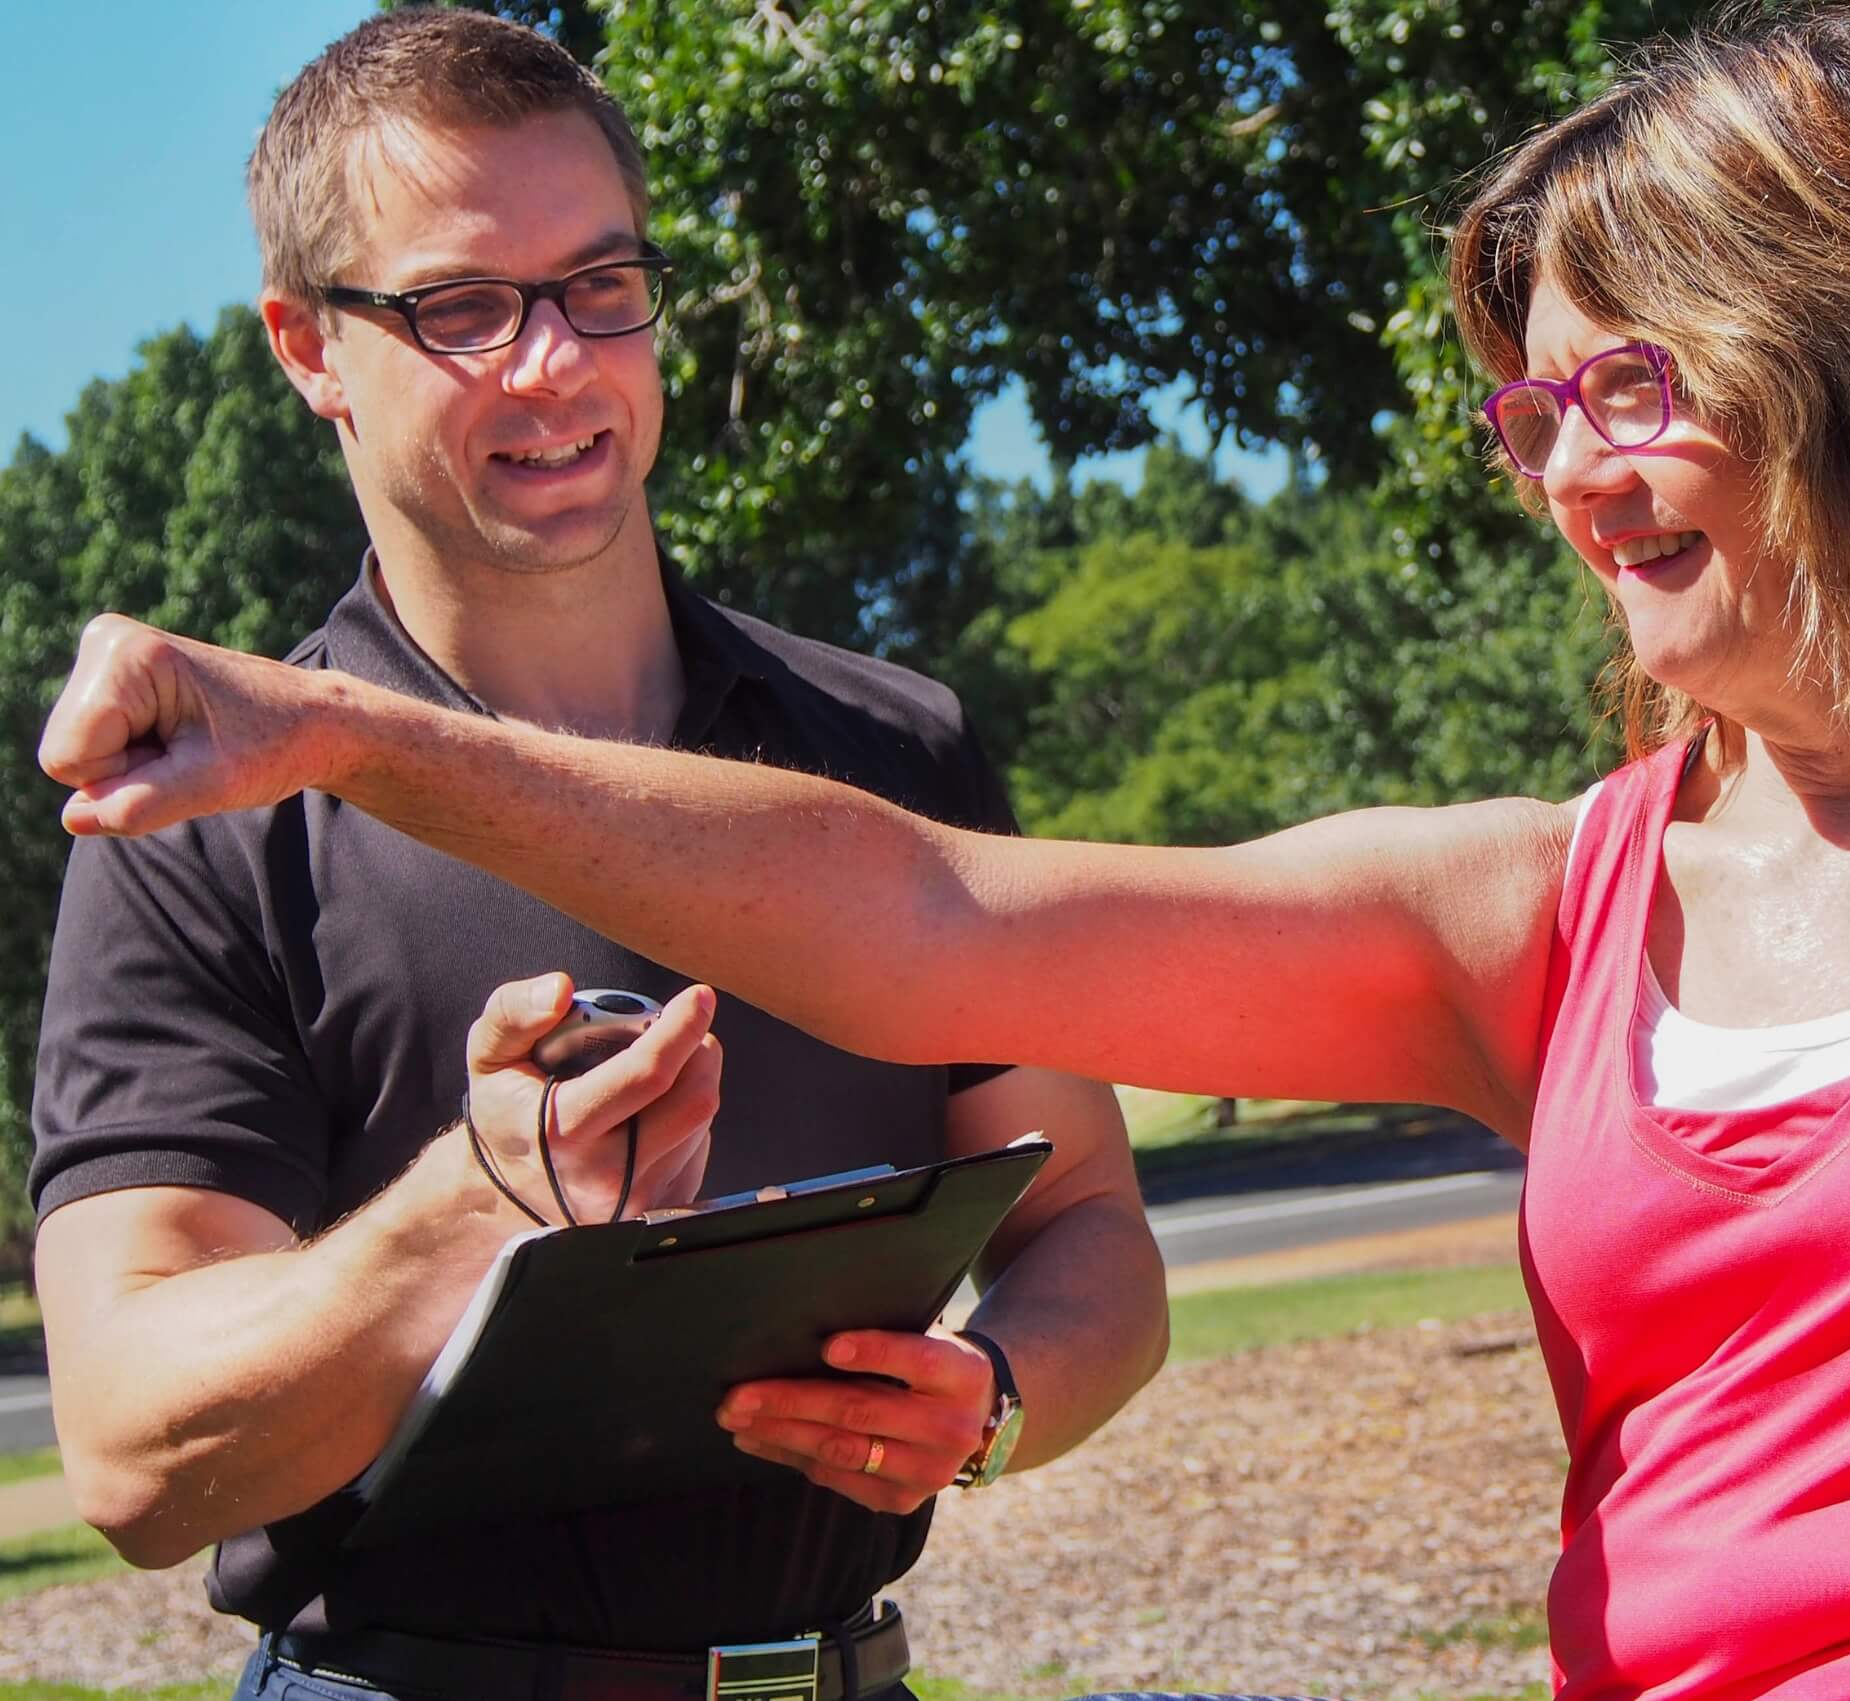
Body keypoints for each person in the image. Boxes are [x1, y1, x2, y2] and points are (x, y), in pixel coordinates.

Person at [38, 8, 1850, 1698]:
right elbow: (908, 909)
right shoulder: (1545, 906)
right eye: (1535, 407)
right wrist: (337, 735)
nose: (1565, 470)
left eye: (1633, 383)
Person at [25, 11, 1163, 1700]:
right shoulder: (202, 819)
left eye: (598, 284)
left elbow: (1089, 1231)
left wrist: (989, 1399)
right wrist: (474, 1206)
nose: (554, 362)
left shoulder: (891, 750)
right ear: (307, 347)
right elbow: (128, 1456)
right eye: (463, 310)